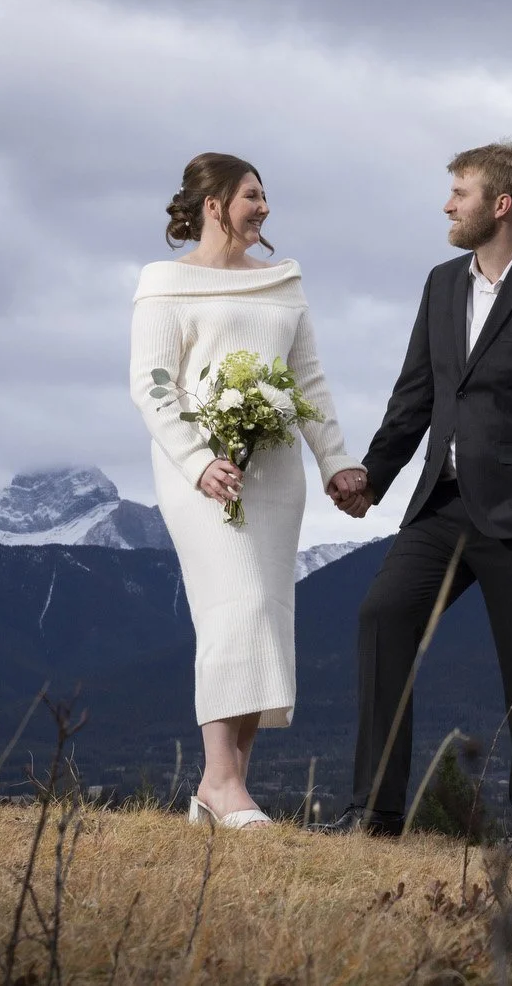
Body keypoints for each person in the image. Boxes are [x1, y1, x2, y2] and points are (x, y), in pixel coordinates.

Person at [322, 140, 512, 855]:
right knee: (382, 618)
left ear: (501, 204)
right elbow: (418, 393)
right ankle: (375, 815)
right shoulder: (441, 284)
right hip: (443, 505)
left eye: (459, 191)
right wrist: (375, 477)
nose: (447, 204)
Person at [130, 152, 367, 829]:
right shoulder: (165, 283)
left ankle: (221, 786)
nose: (263, 208)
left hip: (274, 474)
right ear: (214, 205)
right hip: (200, 476)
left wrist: (336, 464)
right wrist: (199, 460)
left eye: (265, 197)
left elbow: (309, 384)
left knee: (264, 611)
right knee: (232, 606)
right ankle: (225, 783)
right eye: (252, 196)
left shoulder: (284, 284)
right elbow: (151, 385)